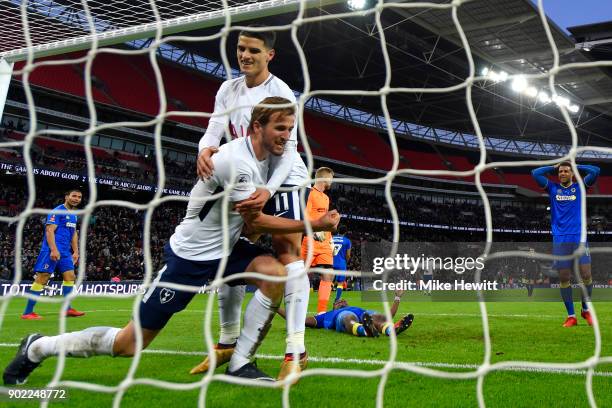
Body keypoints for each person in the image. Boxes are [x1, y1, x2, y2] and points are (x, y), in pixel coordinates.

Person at [3, 98, 340, 385]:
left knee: (274, 274)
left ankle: (240, 364)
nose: (287, 136)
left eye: (289, 129)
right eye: (280, 128)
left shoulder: (271, 161)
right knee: (129, 344)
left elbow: (255, 221)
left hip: (227, 249)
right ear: (257, 127)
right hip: (191, 256)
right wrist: (316, 224)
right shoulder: (236, 161)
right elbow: (256, 221)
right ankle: (38, 346)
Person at [193, 28, 312, 380]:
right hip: (249, 175)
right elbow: (215, 125)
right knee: (228, 255)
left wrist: (271, 191)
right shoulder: (228, 88)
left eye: (253, 51)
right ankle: (227, 344)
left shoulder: (280, 91)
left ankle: (296, 350)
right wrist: (204, 148)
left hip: (285, 177)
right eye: (241, 48)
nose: (244, 55)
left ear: (269, 55)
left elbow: (289, 149)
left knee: (287, 255)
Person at [531, 162, 600, 327]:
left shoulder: (580, 187)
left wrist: (576, 165)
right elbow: (535, 173)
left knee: (586, 275)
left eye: (566, 171)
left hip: (579, 237)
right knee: (564, 277)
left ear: (572, 174)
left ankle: (585, 310)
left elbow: (596, 170)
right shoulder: (553, 188)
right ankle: (571, 316)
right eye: (560, 171)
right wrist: (553, 167)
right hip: (560, 238)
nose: (562, 173)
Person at [21, 189, 85, 320]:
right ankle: (27, 312)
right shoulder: (58, 211)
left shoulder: (73, 215)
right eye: (74, 196)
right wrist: (54, 249)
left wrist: (76, 251)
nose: (76, 199)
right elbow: (49, 230)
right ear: (67, 196)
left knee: (70, 276)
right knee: (42, 278)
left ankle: (67, 309)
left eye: (79, 197)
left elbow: (74, 234)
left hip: (65, 253)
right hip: (51, 250)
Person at [277, 291, 413, 338]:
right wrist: (276, 307)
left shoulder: (359, 309)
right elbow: (298, 320)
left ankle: (391, 330)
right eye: (338, 301)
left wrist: (397, 298)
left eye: (343, 300)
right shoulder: (327, 315)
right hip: (343, 318)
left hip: (363, 315)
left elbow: (388, 315)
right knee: (348, 317)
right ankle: (364, 330)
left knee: (377, 318)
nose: (341, 301)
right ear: (334, 306)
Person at [301, 167, 334, 314]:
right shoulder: (309, 193)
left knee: (328, 274)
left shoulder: (326, 198)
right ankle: (296, 309)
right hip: (309, 241)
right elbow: (305, 215)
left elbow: (325, 221)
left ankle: (322, 312)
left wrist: (331, 239)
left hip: (325, 242)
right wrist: (314, 231)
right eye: (331, 179)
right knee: (301, 276)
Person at [332, 224, 351, 302]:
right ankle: (337, 299)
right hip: (341, 263)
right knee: (340, 283)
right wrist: (345, 261)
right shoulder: (347, 241)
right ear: (345, 232)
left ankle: (325, 295)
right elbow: (348, 255)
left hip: (330, 262)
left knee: (328, 280)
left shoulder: (331, 238)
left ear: (338, 230)